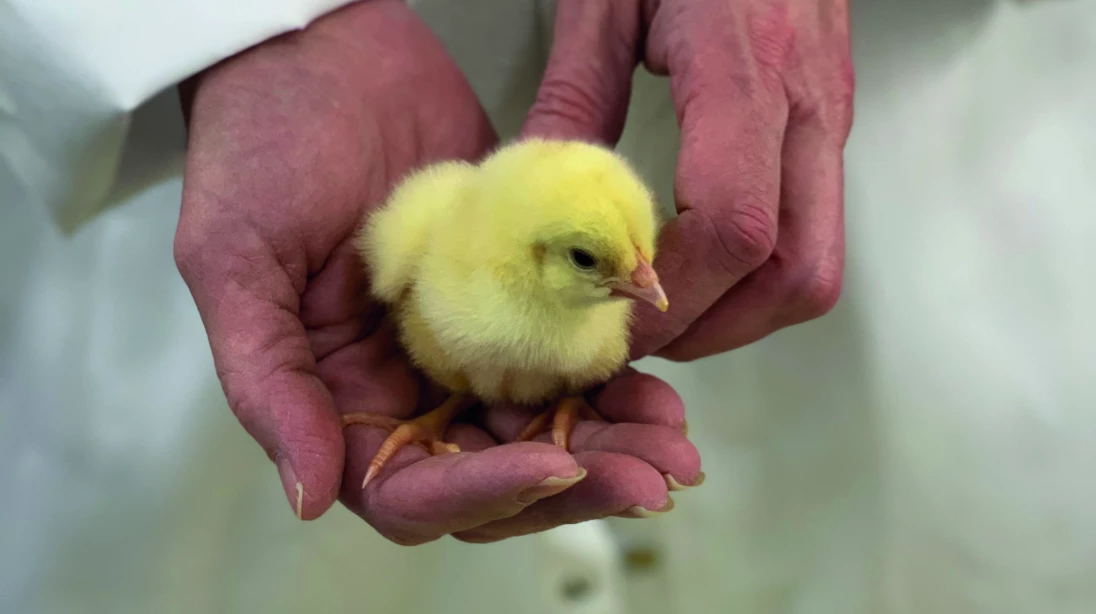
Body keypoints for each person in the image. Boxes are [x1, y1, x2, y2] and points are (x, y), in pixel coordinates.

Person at [2, 0, 1094, 613]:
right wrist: (235, 22)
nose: (643, 289)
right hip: (291, 106)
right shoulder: (440, 244)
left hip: (911, 134)